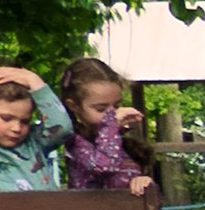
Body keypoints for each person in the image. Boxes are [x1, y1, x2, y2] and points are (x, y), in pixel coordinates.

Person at [59, 61, 159, 197]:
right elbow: (104, 167)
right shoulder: (75, 142)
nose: (112, 114)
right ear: (74, 106)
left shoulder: (118, 141)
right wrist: (112, 124)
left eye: (117, 106)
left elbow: (153, 204)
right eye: (101, 109)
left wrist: (144, 185)